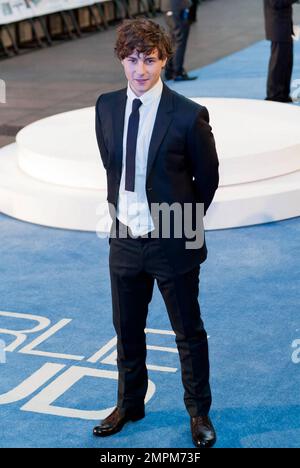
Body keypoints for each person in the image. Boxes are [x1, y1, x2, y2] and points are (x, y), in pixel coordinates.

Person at [93, 18, 219, 448]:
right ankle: (130, 404)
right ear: (121, 61)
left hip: (172, 241)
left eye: (149, 59)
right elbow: (112, 165)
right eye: (132, 59)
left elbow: (208, 179)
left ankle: (198, 412)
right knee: (127, 330)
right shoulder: (106, 107)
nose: (140, 69)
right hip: (124, 239)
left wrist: (180, 224)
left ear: (164, 59)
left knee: (188, 332)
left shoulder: (188, 115)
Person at [264, 0, 299, 102]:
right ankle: (274, 95)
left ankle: (282, 93)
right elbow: (276, 3)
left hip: (284, 26)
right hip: (278, 26)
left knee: (286, 62)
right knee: (278, 64)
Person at [161, 0, 197, 80]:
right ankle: (177, 72)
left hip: (173, 6)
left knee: (174, 38)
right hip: (175, 6)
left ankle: (170, 71)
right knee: (179, 38)